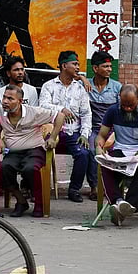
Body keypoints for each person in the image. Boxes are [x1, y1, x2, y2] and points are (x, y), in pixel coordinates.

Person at [0, 85, 65, 217]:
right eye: (4, 97)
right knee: (4, 168)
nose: (5, 101)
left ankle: (39, 203)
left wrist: (53, 137)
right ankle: (21, 201)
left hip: (34, 150)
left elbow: (60, 116)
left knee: (30, 169)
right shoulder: (0, 113)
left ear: (20, 101)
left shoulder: (34, 112)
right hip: (14, 152)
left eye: (10, 98)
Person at [96, 85, 138, 226]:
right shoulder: (113, 111)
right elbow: (101, 135)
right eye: (124, 105)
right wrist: (99, 147)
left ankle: (129, 205)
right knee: (106, 167)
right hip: (120, 150)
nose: (127, 109)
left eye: (131, 105)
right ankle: (118, 202)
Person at [39, 50, 92, 203]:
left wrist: (84, 134)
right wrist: (61, 109)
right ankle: (35, 187)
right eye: (74, 64)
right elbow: (43, 106)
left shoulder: (80, 89)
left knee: (83, 153)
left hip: (72, 133)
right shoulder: (49, 86)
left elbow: (86, 114)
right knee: (37, 151)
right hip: (51, 132)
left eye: (78, 64)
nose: (77, 67)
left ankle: (74, 189)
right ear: (64, 66)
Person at [86, 50, 122, 201]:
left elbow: (121, 114)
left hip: (113, 130)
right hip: (93, 129)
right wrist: (82, 78)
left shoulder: (117, 87)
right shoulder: (86, 85)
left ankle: (113, 187)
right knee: (92, 150)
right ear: (95, 68)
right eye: (105, 66)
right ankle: (94, 186)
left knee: (117, 152)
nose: (109, 69)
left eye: (110, 66)